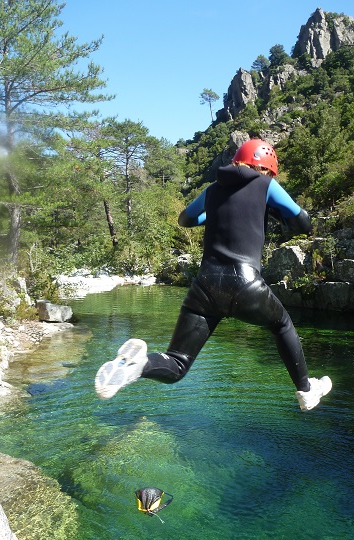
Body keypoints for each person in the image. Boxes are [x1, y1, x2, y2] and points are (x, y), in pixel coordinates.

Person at [95, 138, 331, 411]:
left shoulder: (212, 190)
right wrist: (278, 211)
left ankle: (140, 366)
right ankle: (306, 389)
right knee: (281, 325)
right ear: (266, 168)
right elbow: (303, 223)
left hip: (205, 287)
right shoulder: (266, 185)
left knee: (178, 363)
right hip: (245, 284)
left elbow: (185, 219)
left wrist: (213, 215)